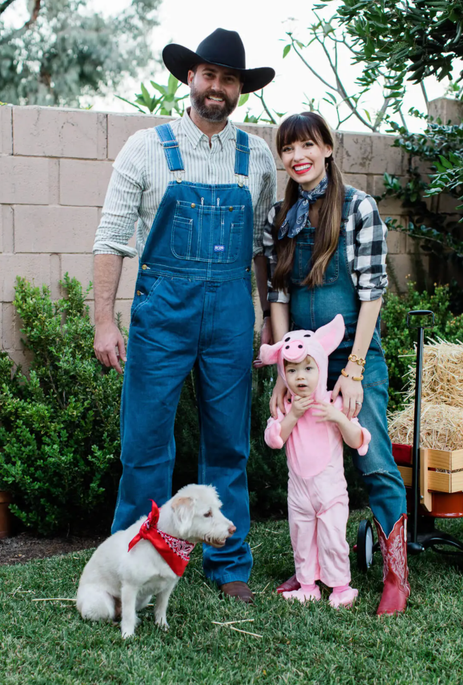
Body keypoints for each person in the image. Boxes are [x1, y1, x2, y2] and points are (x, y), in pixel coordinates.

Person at [92, 28, 277, 604]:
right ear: (189, 79)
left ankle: (229, 563)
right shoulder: (145, 149)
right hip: (161, 316)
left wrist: (267, 318)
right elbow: (111, 238)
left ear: (240, 90)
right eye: (208, 75)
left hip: (228, 313)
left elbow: (262, 250)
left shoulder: (259, 156)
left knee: (227, 445)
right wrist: (103, 320)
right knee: (147, 444)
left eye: (229, 79)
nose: (217, 87)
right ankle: (135, 562)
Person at [263, 112, 409, 616]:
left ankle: (396, 574)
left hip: (352, 359)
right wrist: (285, 370)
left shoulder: (358, 208)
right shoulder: (279, 217)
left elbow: (372, 296)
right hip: (300, 362)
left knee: (372, 462)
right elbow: (276, 294)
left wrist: (352, 371)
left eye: (307, 145)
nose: (297, 157)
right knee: (307, 470)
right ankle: (312, 569)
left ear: (326, 147)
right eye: (287, 149)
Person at [260, 316, 371, 608]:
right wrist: (293, 415)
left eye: (308, 368)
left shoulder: (332, 402)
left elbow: (358, 438)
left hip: (330, 491)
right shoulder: (287, 406)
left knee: (333, 538)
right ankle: (308, 585)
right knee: (302, 537)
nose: (300, 377)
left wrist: (338, 417)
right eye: (292, 370)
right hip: (299, 493)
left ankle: (340, 587)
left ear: (320, 369)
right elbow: (274, 439)